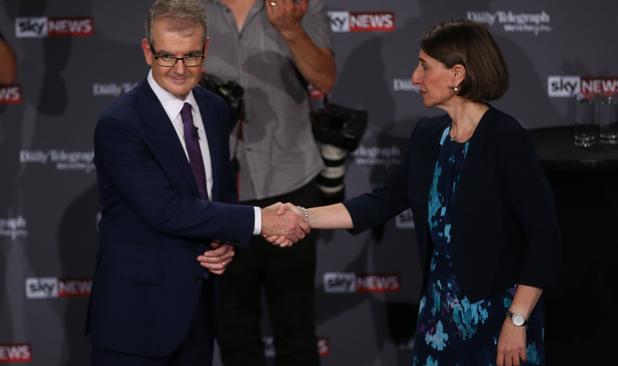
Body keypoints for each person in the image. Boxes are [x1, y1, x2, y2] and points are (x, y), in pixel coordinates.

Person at [253, 19, 562, 366]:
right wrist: (303, 215)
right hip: (438, 315)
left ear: (457, 75)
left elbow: (543, 237)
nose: (415, 78)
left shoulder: (506, 139)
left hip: (498, 315)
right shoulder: (428, 136)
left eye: (424, 66)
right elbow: (380, 202)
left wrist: (516, 319)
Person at [87, 0, 308, 365]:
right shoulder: (120, 124)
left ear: (206, 50)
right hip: (136, 321)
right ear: (147, 51)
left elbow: (218, 191)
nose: (179, 69)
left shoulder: (213, 108)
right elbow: (165, 210)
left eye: (190, 56)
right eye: (167, 57)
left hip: (198, 314)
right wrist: (259, 221)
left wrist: (225, 242)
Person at [198, 0, 336, 365]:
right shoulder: (189, 6)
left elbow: (324, 77)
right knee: (234, 332)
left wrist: (291, 29)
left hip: (291, 181)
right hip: (217, 188)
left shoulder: (299, 4)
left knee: (296, 329)